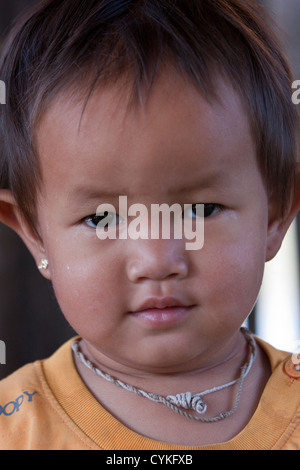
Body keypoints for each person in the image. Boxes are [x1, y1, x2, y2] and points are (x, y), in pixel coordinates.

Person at [0, 0, 299, 451]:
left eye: (201, 210)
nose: (157, 260)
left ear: (276, 215)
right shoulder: (15, 428)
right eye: (103, 218)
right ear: (35, 235)